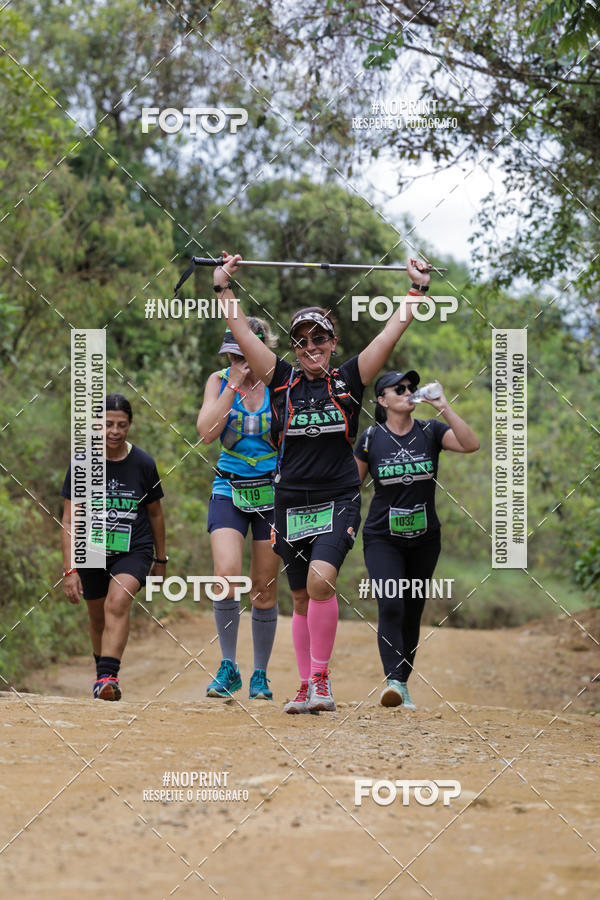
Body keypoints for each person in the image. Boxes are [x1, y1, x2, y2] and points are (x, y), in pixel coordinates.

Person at [213, 251, 429, 713]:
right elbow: (242, 334)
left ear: (334, 342)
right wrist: (223, 288)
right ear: (293, 347)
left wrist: (416, 290)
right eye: (302, 339)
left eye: (320, 338)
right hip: (288, 501)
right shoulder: (281, 379)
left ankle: (322, 680)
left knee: (320, 583)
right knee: (297, 596)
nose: (311, 346)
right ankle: (307, 684)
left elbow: (392, 331)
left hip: (337, 499)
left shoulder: (349, 379)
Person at [354, 371, 479, 709]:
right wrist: (344, 527)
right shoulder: (370, 439)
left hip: (425, 539)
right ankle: (393, 679)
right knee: (391, 603)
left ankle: (402, 685)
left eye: (411, 387)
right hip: (382, 537)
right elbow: (351, 489)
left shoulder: (431, 431)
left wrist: (444, 406)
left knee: (412, 610)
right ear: (382, 400)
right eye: (399, 388)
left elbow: (471, 444)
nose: (408, 391)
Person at [61, 394, 167, 701]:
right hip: (92, 549)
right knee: (97, 618)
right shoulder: (82, 464)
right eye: (107, 424)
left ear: (130, 425)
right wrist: (70, 569)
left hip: (134, 547)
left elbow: (156, 514)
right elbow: (69, 520)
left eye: (121, 424)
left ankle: (109, 675)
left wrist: (161, 559)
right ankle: (102, 679)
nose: (114, 431)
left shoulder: (144, 464)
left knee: (117, 603)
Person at [196, 318, 280, 700]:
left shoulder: (280, 382)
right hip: (228, 490)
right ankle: (228, 666)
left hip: (270, 494)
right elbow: (206, 431)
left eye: (244, 352)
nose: (239, 359)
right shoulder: (218, 381)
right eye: (232, 353)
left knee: (263, 588)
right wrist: (232, 382)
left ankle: (259, 674)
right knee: (226, 574)